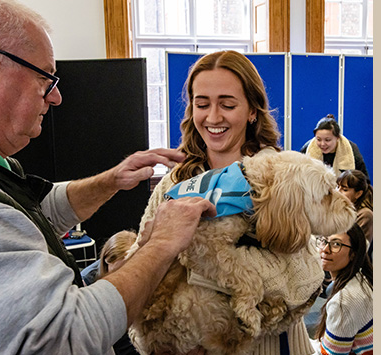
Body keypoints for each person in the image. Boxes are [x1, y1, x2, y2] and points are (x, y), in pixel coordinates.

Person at [0, 1, 216, 354]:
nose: (55, 97)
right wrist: (161, 245)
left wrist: (112, 180)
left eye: (227, 104)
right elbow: (65, 337)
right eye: (44, 78)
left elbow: (38, 211)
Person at [134, 50, 315, 355]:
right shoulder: (175, 185)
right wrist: (160, 343)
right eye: (202, 104)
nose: (214, 117)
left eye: (227, 105)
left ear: (252, 111)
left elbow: (304, 280)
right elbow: (140, 276)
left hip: (268, 346)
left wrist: (203, 272)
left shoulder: (279, 179)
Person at [312, 224, 373, 355]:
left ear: (353, 254)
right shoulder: (362, 278)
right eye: (324, 241)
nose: (325, 249)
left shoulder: (344, 301)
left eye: (336, 244)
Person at [299, 114, 370, 182]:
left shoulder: (351, 150)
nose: (322, 144)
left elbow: (364, 182)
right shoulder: (307, 149)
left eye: (327, 140)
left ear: (337, 138)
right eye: (318, 139)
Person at [336, 169, 373, 261]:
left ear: (358, 194)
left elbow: (355, 249)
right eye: (337, 187)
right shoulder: (339, 209)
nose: (337, 191)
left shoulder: (365, 215)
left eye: (344, 189)